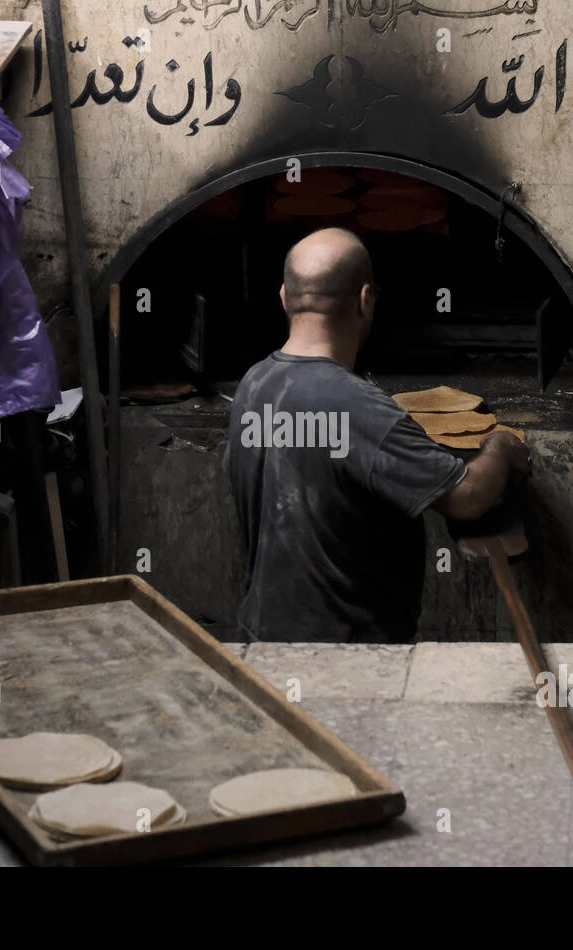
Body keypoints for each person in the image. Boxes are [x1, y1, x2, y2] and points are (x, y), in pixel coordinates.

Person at [224, 227, 530, 643]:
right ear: (366, 300)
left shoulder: (253, 384)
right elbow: (467, 498)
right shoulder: (356, 405)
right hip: (345, 656)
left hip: (262, 640)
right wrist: (500, 446)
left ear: (284, 297)